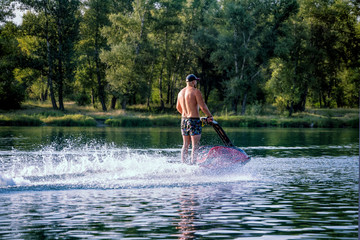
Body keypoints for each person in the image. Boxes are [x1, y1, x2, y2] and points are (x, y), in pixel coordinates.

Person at [176, 74, 214, 165]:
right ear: (193, 82)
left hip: (184, 120)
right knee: (195, 145)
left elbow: (178, 107)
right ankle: (193, 164)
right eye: (196, 80)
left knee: (185, 145)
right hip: (193, 121)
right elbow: (203, 107)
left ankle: (184, 164)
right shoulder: (195, 91)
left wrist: (186, 114)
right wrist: (210, 116)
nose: (196, 82)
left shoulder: (180, 92)